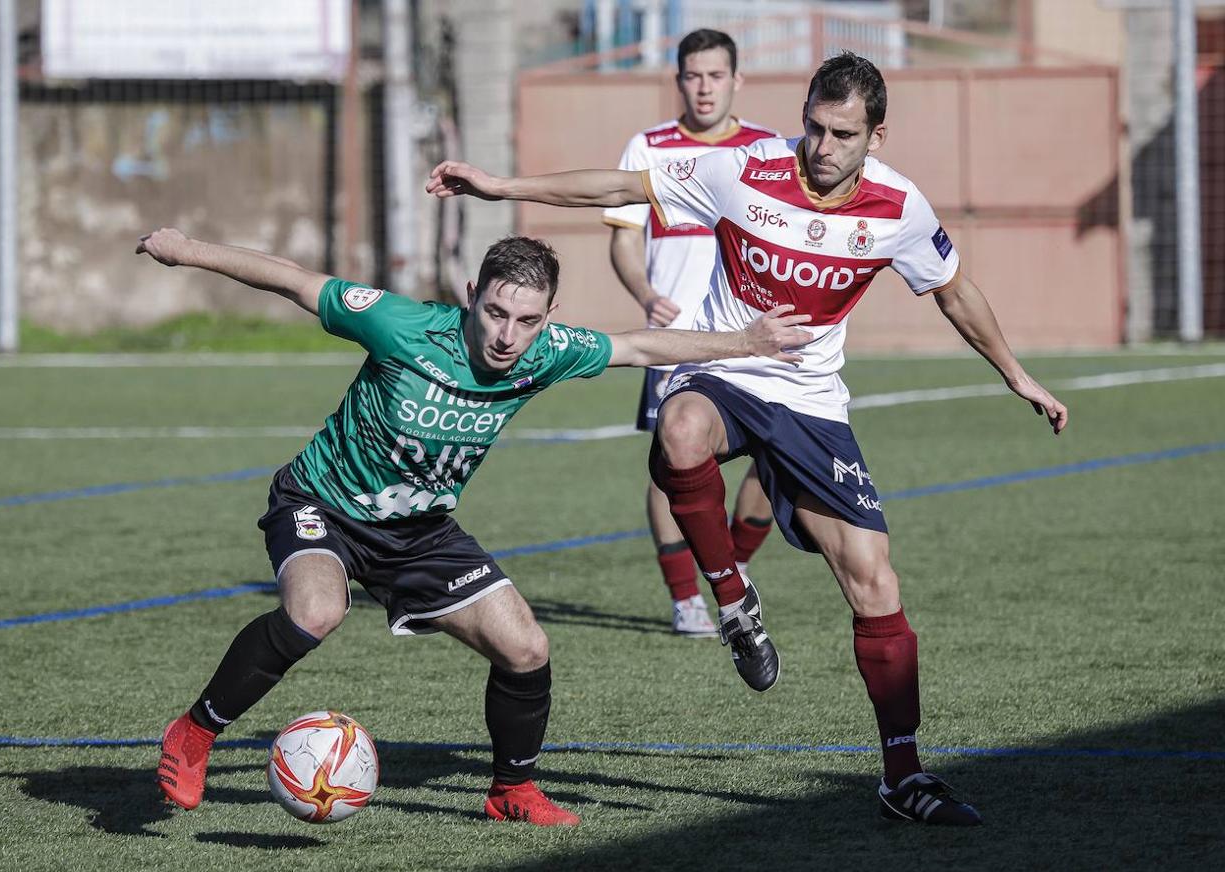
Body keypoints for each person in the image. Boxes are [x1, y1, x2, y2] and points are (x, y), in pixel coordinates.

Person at [425, 52, 1070, 826]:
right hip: (726, 367)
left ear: (876, 136)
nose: (822, 146)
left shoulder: (899, 207)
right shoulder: (746, 167)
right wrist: (502, 188)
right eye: (814, 127)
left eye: (843, 134)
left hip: (810, 403)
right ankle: (732, 598)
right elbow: (620, 188)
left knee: (874, 581)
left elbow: (954, 290)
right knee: (679, 428)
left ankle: (903, 776)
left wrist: (1016, 374)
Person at [136, 227, 812, 827]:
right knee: (317, 610)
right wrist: (186, 251)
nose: (506, 336)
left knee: (527, 648)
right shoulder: (401, 325)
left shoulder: (547, 352)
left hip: (420, 530)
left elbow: (638, 345)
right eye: (495, 312)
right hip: (323, 502)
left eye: (526, 320)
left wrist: (745, 342)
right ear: (471, 297)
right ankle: (195, 732)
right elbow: (294, 280)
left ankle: (512, 790)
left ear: (548, 319)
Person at [606, 28, 781, 638]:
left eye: (715, 75)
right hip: (677, 338)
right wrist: (644, 294)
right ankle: (688, 599)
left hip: (753, 335)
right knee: (671, 464)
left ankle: (732, 572)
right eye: (693, 75)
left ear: (737, 80)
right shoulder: (648, 147)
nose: (704, 87)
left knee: (777, 460)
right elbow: (624, 240)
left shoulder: (767, 149)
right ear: (678, 81)